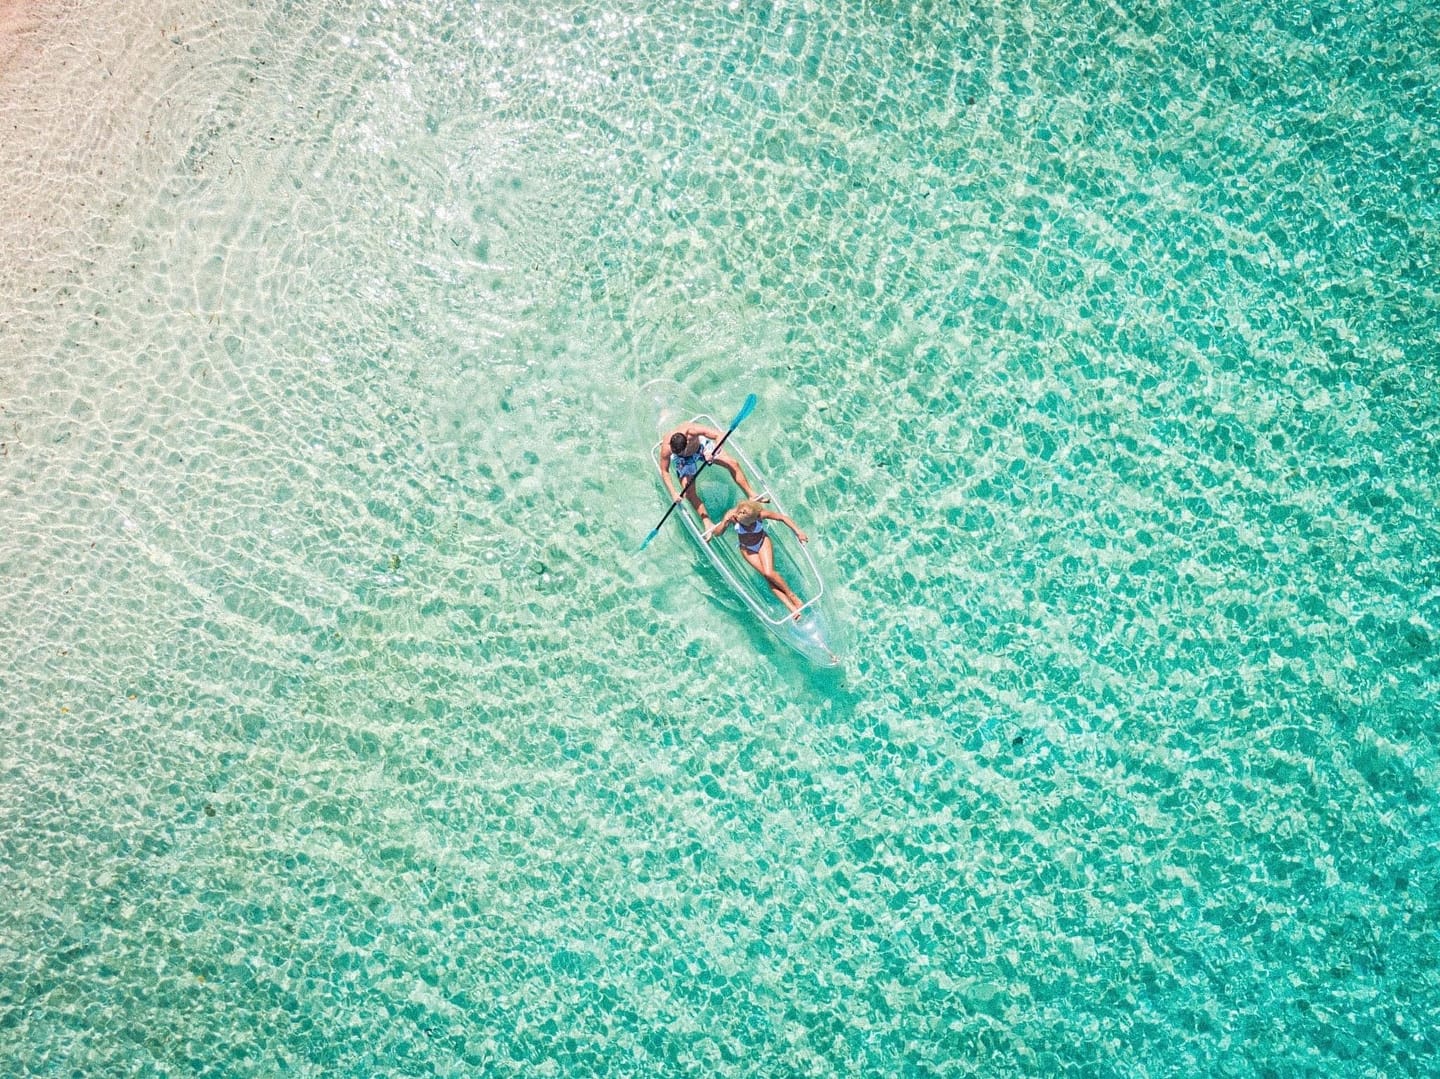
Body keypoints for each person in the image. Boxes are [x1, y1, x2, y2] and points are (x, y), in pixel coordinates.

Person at [704, 499, 809, 619]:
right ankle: (791, 608)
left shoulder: (759, 514)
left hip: (762, 542)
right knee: (767, 576)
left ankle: (792, 596)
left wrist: (798, 531)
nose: (740, 519)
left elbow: (783, 518)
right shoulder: (732, 515)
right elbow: (717, 533)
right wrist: (725, 522)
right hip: (748, 549)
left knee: (769, 572)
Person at [658, 421, 759, 529]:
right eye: (674, 452)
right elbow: (664, 471)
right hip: (684, 460)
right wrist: (673, 493)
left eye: (678, 451)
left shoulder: (692, 430)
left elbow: (719, 435)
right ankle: (707, 522)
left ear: (687, 442)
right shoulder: (667, 448)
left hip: (701, 449)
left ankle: (751, 494)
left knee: (733, 463)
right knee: (689, 493)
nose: (675, 453)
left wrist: (713, 452)